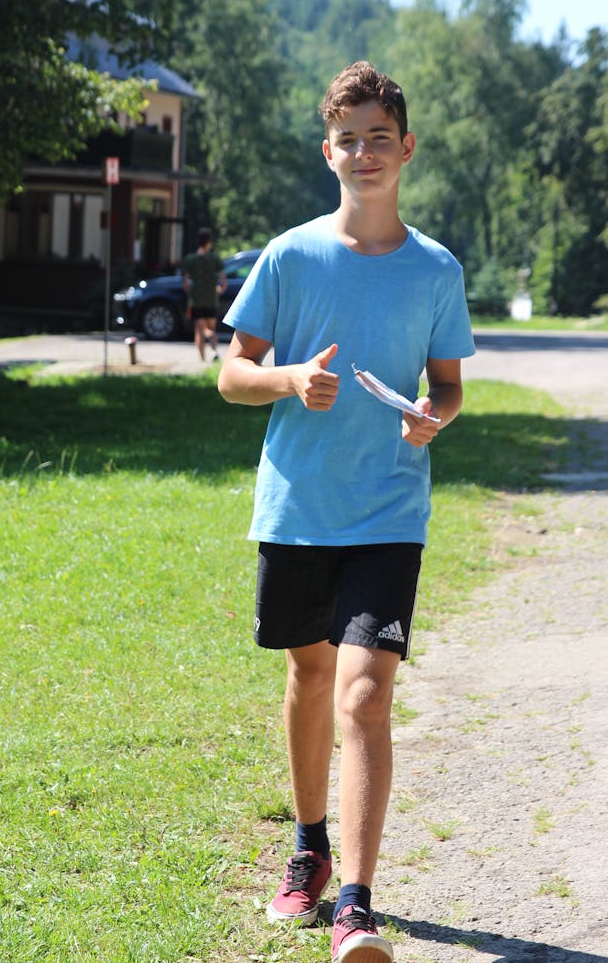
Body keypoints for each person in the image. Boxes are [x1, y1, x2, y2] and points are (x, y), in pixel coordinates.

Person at [217, 62, 475, 962]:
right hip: (296, 506)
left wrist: (429, 419)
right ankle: (309, 848)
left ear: (406, 148)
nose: (364, 153)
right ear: (329, 153)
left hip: (388, 511)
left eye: (380, 137)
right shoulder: (289, 256)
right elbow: (231, 373)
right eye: (348, 139)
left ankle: (358, 904)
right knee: (311, 676)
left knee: (367, 691)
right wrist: (291, 378)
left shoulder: (436, 270)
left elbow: (445, 389)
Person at [182, 228, 227, 361]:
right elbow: (223, 281)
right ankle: (213, 350)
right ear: (209, 242)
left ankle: (202, 360)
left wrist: (190, 293)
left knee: (201, 331)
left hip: (197, 300)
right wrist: (219, 290)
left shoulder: (191, 259)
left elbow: (185, 282)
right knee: (209, 328)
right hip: (211, 300)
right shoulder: (214, 258)